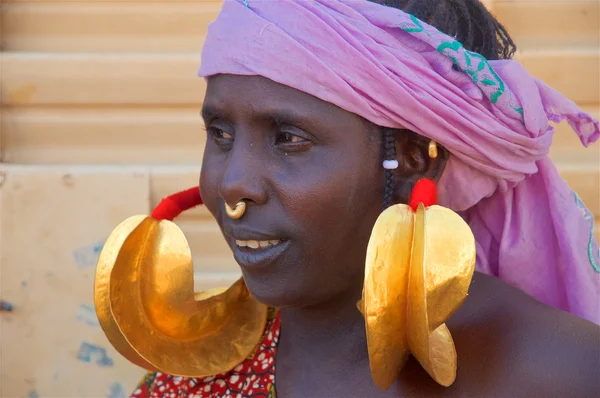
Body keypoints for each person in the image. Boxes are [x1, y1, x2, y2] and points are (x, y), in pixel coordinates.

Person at [99, 0, 600, 396]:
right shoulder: (199, 372)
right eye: (221, 134)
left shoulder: (560, 373)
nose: (232, 184)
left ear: (412, 159)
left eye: (289, 138)